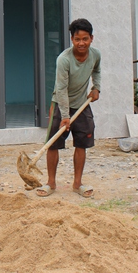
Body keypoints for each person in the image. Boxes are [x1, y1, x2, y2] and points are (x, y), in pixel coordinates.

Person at [36, 18, 101, 198]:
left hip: (82, 105)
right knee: (53, 144)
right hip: (60, 104)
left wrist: (96, 88)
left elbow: (97, 70)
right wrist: (65, 115)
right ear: (72, 39)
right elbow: (62, 90)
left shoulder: (95, 55)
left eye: (85, 39)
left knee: (82, 144)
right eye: (77, 39)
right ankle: (50, 183)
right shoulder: (64, 59)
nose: (81, 43)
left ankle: (77, 184)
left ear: (91, 38)